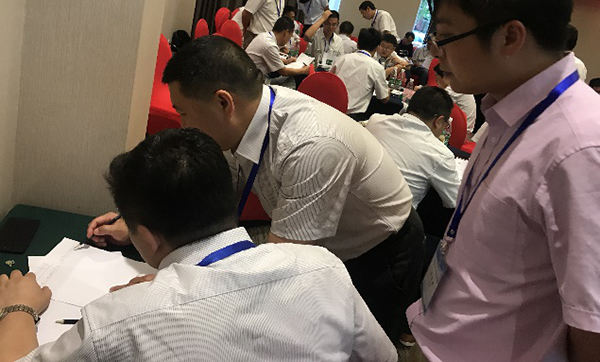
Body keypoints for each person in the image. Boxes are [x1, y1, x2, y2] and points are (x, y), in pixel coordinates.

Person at [89, 35, 423, 348]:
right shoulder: (245, 119)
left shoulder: (310, 146)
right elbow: (207, 200)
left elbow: (277, 275)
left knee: (348, 345)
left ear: (223, 102)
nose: (182, 125)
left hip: (377, 249)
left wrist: (175, 287)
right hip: (309, 236)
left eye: (184, 113)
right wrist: (142, 225)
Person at [1, 129, 398, 361]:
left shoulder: (116, 322)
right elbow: (384, 356)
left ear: (147, 235)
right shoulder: (323, 266)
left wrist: (18, 309)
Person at [406, 0, 600, 362]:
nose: (436, 52)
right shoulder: (507, 107)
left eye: (446, 36)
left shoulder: (581, 147)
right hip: (441, 334)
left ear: (510, 37)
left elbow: (592, 325)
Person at [367, 87, 460, 210]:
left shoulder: (376, 121)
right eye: (446, 124)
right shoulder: (440, 154)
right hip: (392, 218)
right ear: (439, 121)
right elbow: (455, 201)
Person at [331, 28, 390, 121]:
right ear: (376, 47)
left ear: (357, 43)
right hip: (354, 117)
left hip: (331, 109)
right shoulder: (377, 68)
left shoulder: (343, 58)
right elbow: (383, 98)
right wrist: (388, 91)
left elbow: (329, 78)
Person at [245, 17, 309, 88]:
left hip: (250, 73)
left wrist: (285, 61)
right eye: (290, 36)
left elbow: (266, 58)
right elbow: (284, 72)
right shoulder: (269, 45)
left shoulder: (264, 35)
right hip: (252, 81)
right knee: (292, 80)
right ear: (286, 32)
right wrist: (303, 71)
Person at [433, 64, 477, 135]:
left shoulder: (455, 89)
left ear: (445, 76)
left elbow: (435, 102)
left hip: (462, 133)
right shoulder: (458, 84)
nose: (436, 81)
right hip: (461, 128)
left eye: (437, 78)